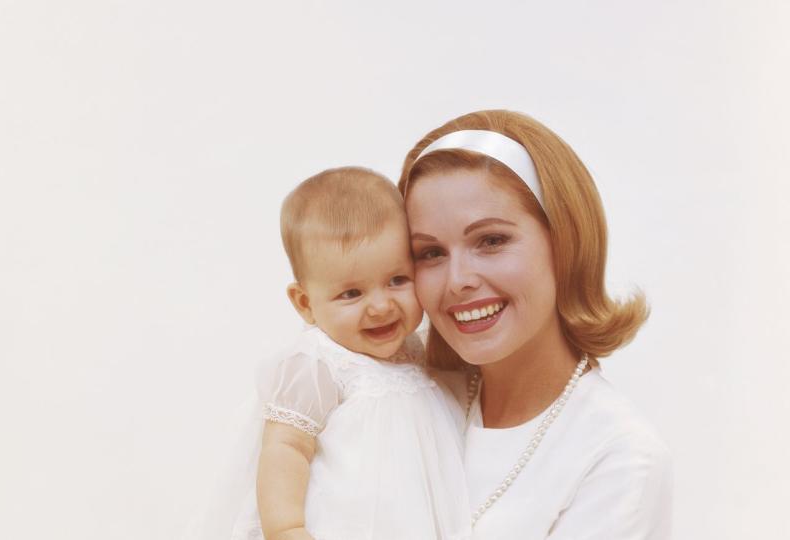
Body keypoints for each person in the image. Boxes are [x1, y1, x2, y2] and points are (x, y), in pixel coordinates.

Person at [398, 110, 673, 539]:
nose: (458, 281)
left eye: (491, 241)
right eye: (430, 252)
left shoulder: (617, 456)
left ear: (565, 241)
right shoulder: (405, 395)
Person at [190, 167, 472, 540]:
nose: (381, 306)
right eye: (352, 294)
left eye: (397, 280)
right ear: (305, 303)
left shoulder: (415, 347)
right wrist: (287, 527)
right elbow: (286, 448)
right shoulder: (320, 363)